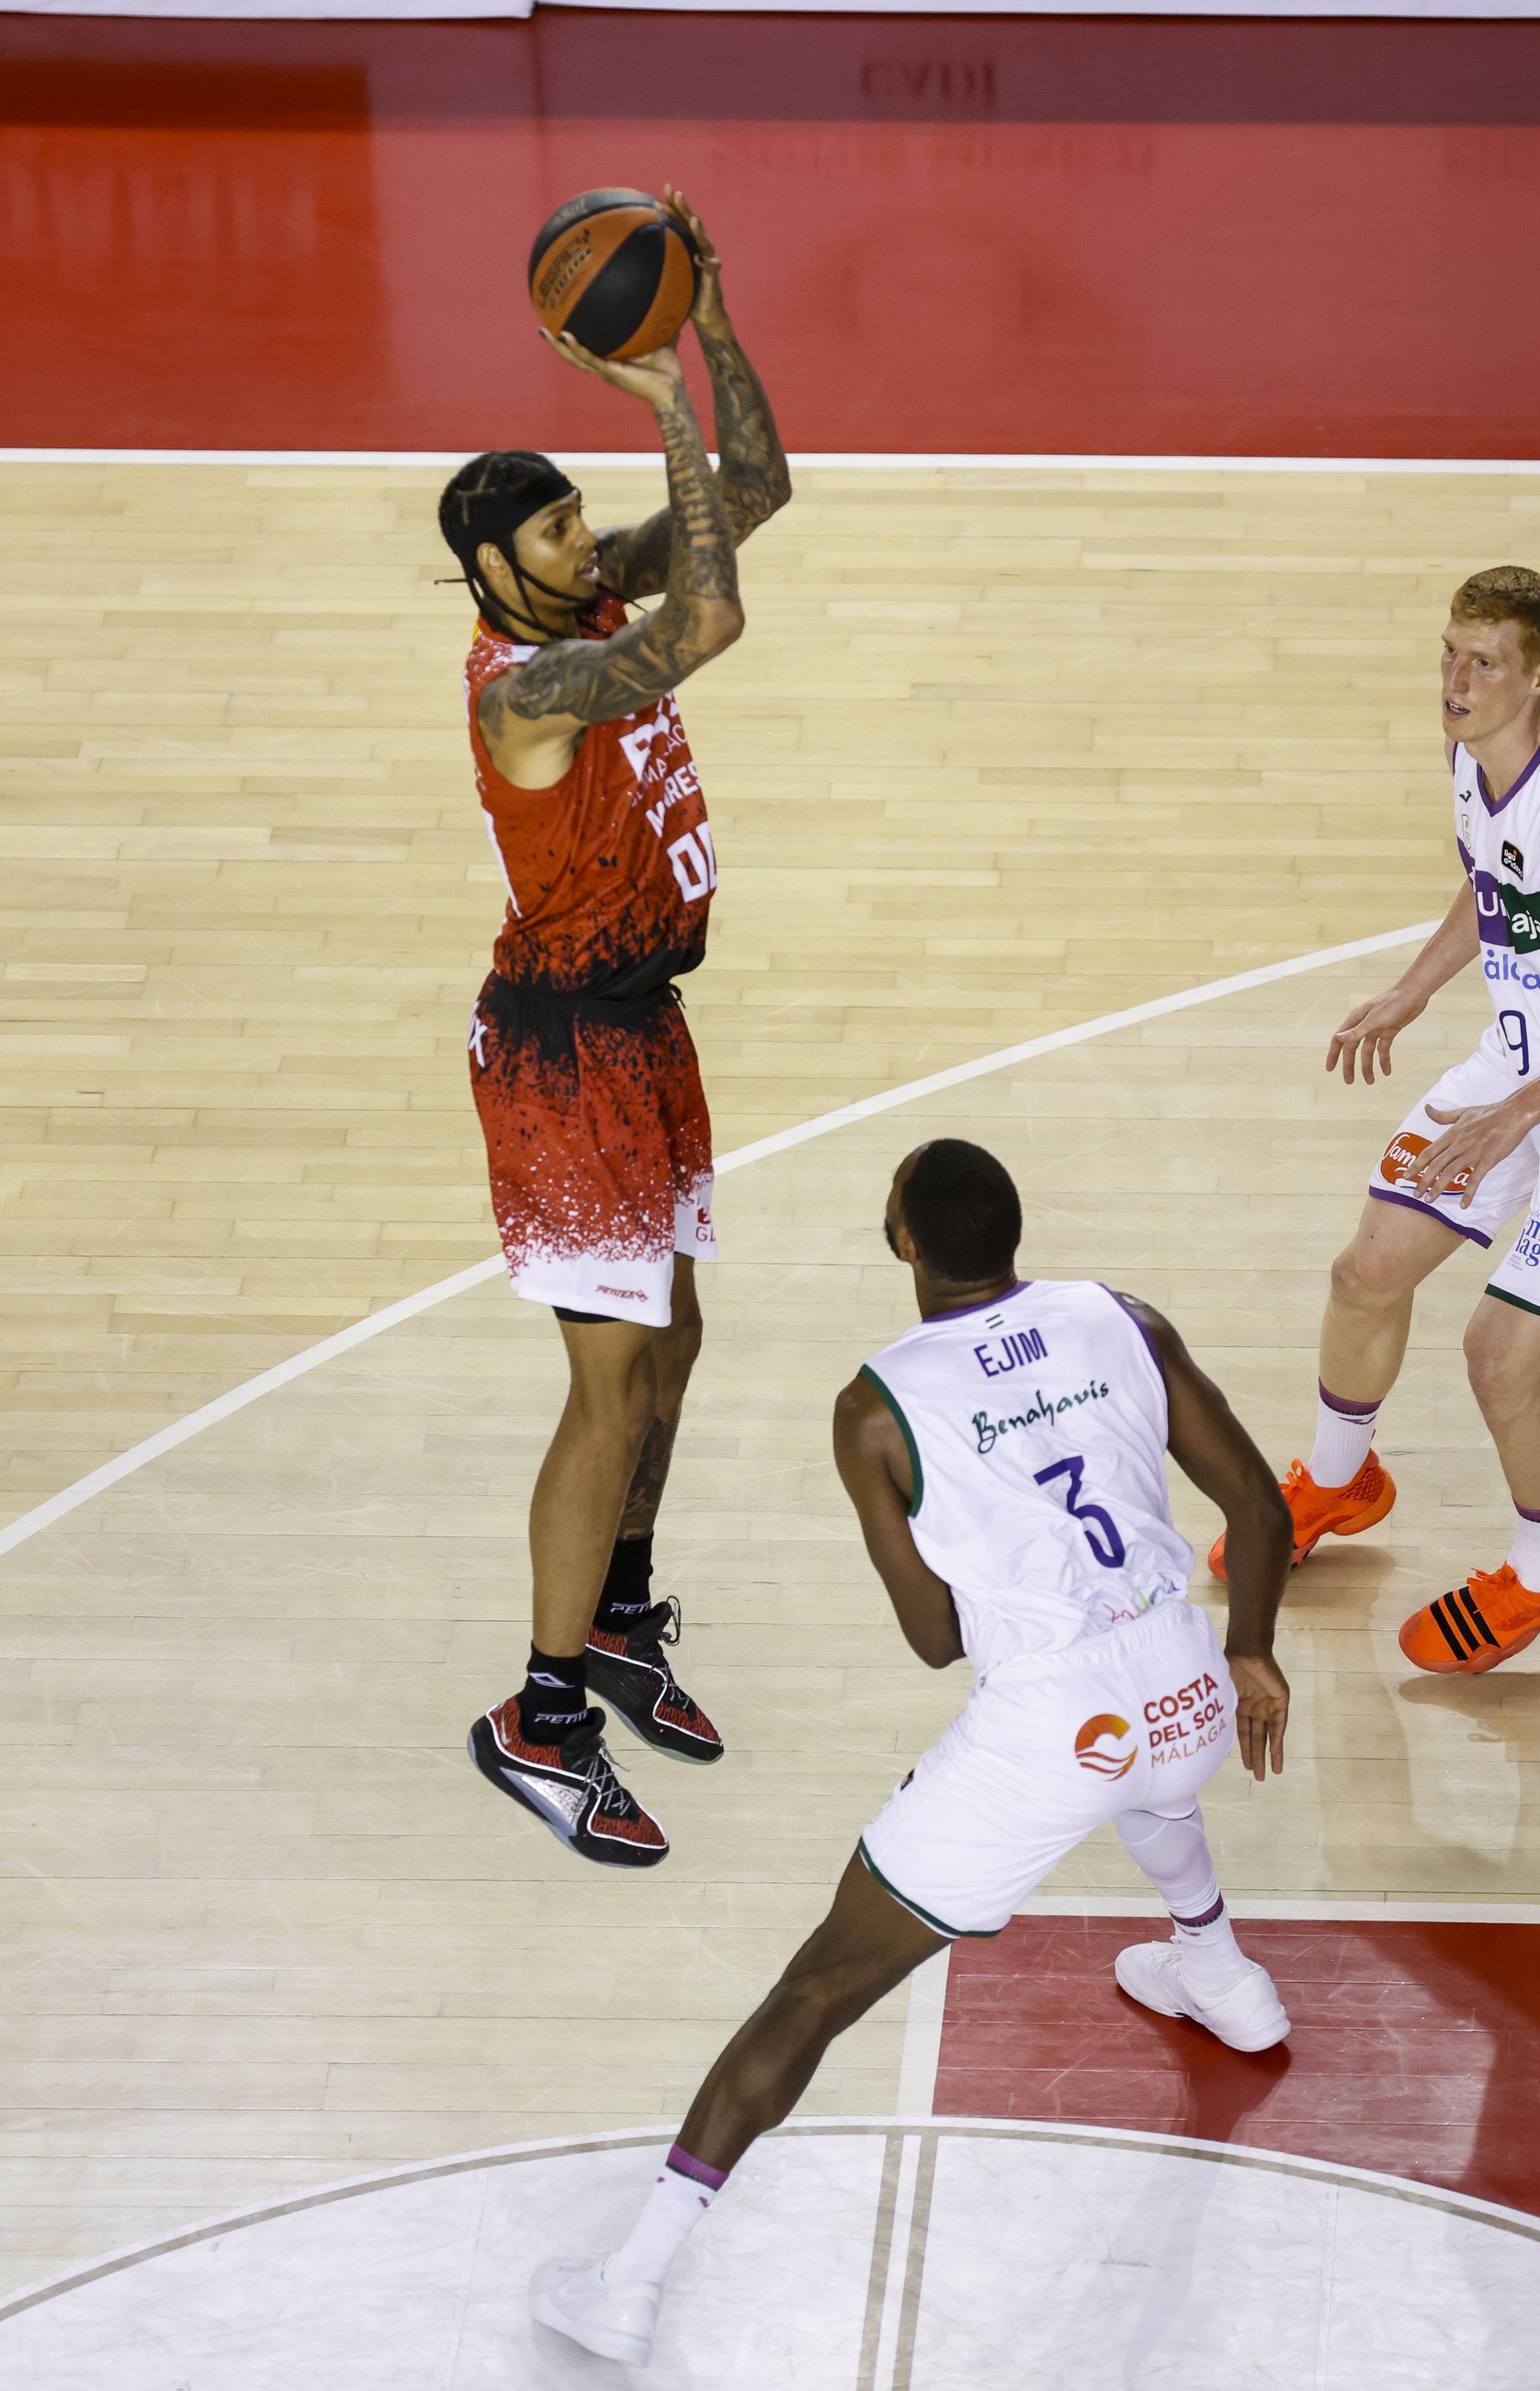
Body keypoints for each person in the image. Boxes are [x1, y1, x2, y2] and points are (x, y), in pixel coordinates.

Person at [527, 1139, 1296, 2364]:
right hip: (1193, 1690)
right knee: (1148, 1767)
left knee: (819, 1987)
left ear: (904, 1242)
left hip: (1058, 1731)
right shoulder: (1123, 1317)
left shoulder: (874, 1409)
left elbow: (936, 1640)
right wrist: (1251, 1649)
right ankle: (1222, 1974)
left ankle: (628, 2281)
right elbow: (1259, 1504)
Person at [438, 190, 790, 1864]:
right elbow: (712, 617)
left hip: (645, 1029)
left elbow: (758, 493)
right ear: (494, 569)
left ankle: (623, 1612)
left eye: (590, 523)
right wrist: (656, 400)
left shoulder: (581, 615)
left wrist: (705, 318)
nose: (592, 546)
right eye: (564, 535)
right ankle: (541, 1711)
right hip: (562, 1055)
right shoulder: (524, 692)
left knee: (678, 1345)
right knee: (604, 1391)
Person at [1211, 566, 1540, 1675]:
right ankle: (1343, 1477)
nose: (1455, 679)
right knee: (1368, 1271)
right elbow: (1491, 875)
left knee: (1500, 1359)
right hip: (1525, 1066)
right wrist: (1413, 988)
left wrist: (1512, 1120)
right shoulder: (1472, 752)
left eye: (1484, 662)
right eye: (1449, 651)